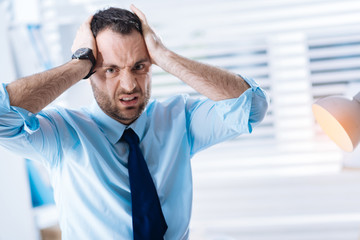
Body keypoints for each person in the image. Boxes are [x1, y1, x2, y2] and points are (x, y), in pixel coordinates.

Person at [0, 5, 268, 240]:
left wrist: (164, 56)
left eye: (139, 67)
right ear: (90, 72)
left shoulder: (180, 119)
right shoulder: (62, 133)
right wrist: (79, 62)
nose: (129, 86)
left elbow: (252, 107)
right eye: (111, 69)